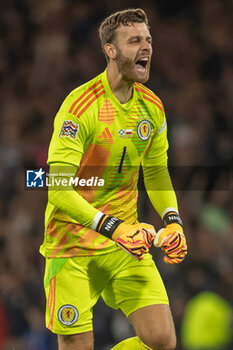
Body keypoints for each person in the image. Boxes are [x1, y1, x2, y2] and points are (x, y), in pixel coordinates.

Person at [40, 8, 187, 350]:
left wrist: (173, 221)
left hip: (124, 244)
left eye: (148, 39)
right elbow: (57, 189)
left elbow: (155, 171)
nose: (146, 47)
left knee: (161, 340)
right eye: (134, 40)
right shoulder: (80, 108)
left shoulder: (152, 108)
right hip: (71, 246)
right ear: (111, 50)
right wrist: (113, 227)